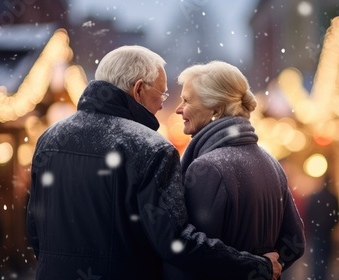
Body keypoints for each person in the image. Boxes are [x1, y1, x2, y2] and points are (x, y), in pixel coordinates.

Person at [26, 46, 282, 280]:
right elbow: (175, 244)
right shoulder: (151, 148)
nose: (164, 104)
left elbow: (35, 228)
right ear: (138, 90)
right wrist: (253, 265)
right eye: (162, 92)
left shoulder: (50, 138)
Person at [166, 60, 306, 279]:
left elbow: (195, 256)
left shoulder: (207, 168)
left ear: (216, 108)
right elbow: (294, 242)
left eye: (186, 100)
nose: (178, 109)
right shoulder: (271, 163)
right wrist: (266, 268)